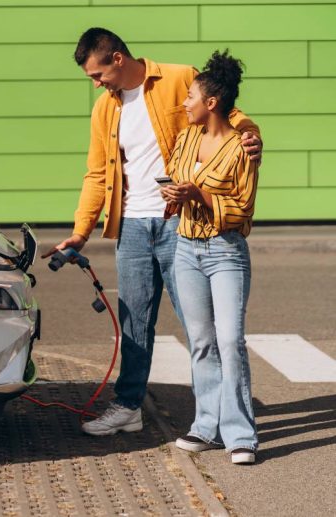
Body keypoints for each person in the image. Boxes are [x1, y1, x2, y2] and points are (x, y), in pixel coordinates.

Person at [42, 28, 262, 436]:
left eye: (98, 74)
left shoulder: (179, 79)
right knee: (134, 321)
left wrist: (251, 136)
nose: (95, 83)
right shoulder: (105, 108)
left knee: (202, 327)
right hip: (132, 226)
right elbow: (96, 173)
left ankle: (216, 416)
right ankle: (129, 406)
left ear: (118, 60)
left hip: (181, 220)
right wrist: (81, 231)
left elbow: (231, 114)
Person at [160, 50, 259, 464]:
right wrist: (171, 194)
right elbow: (174, 178)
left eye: (191, 97)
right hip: (185, 248)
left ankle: (240, 435)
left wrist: (198, 193)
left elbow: (243, 208)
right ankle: (205, 427)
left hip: (225, 253)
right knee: (200, 341)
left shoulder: (244, 148)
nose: (185, 103)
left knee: (230, 340)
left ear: (212, 102)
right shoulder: (185, 138)